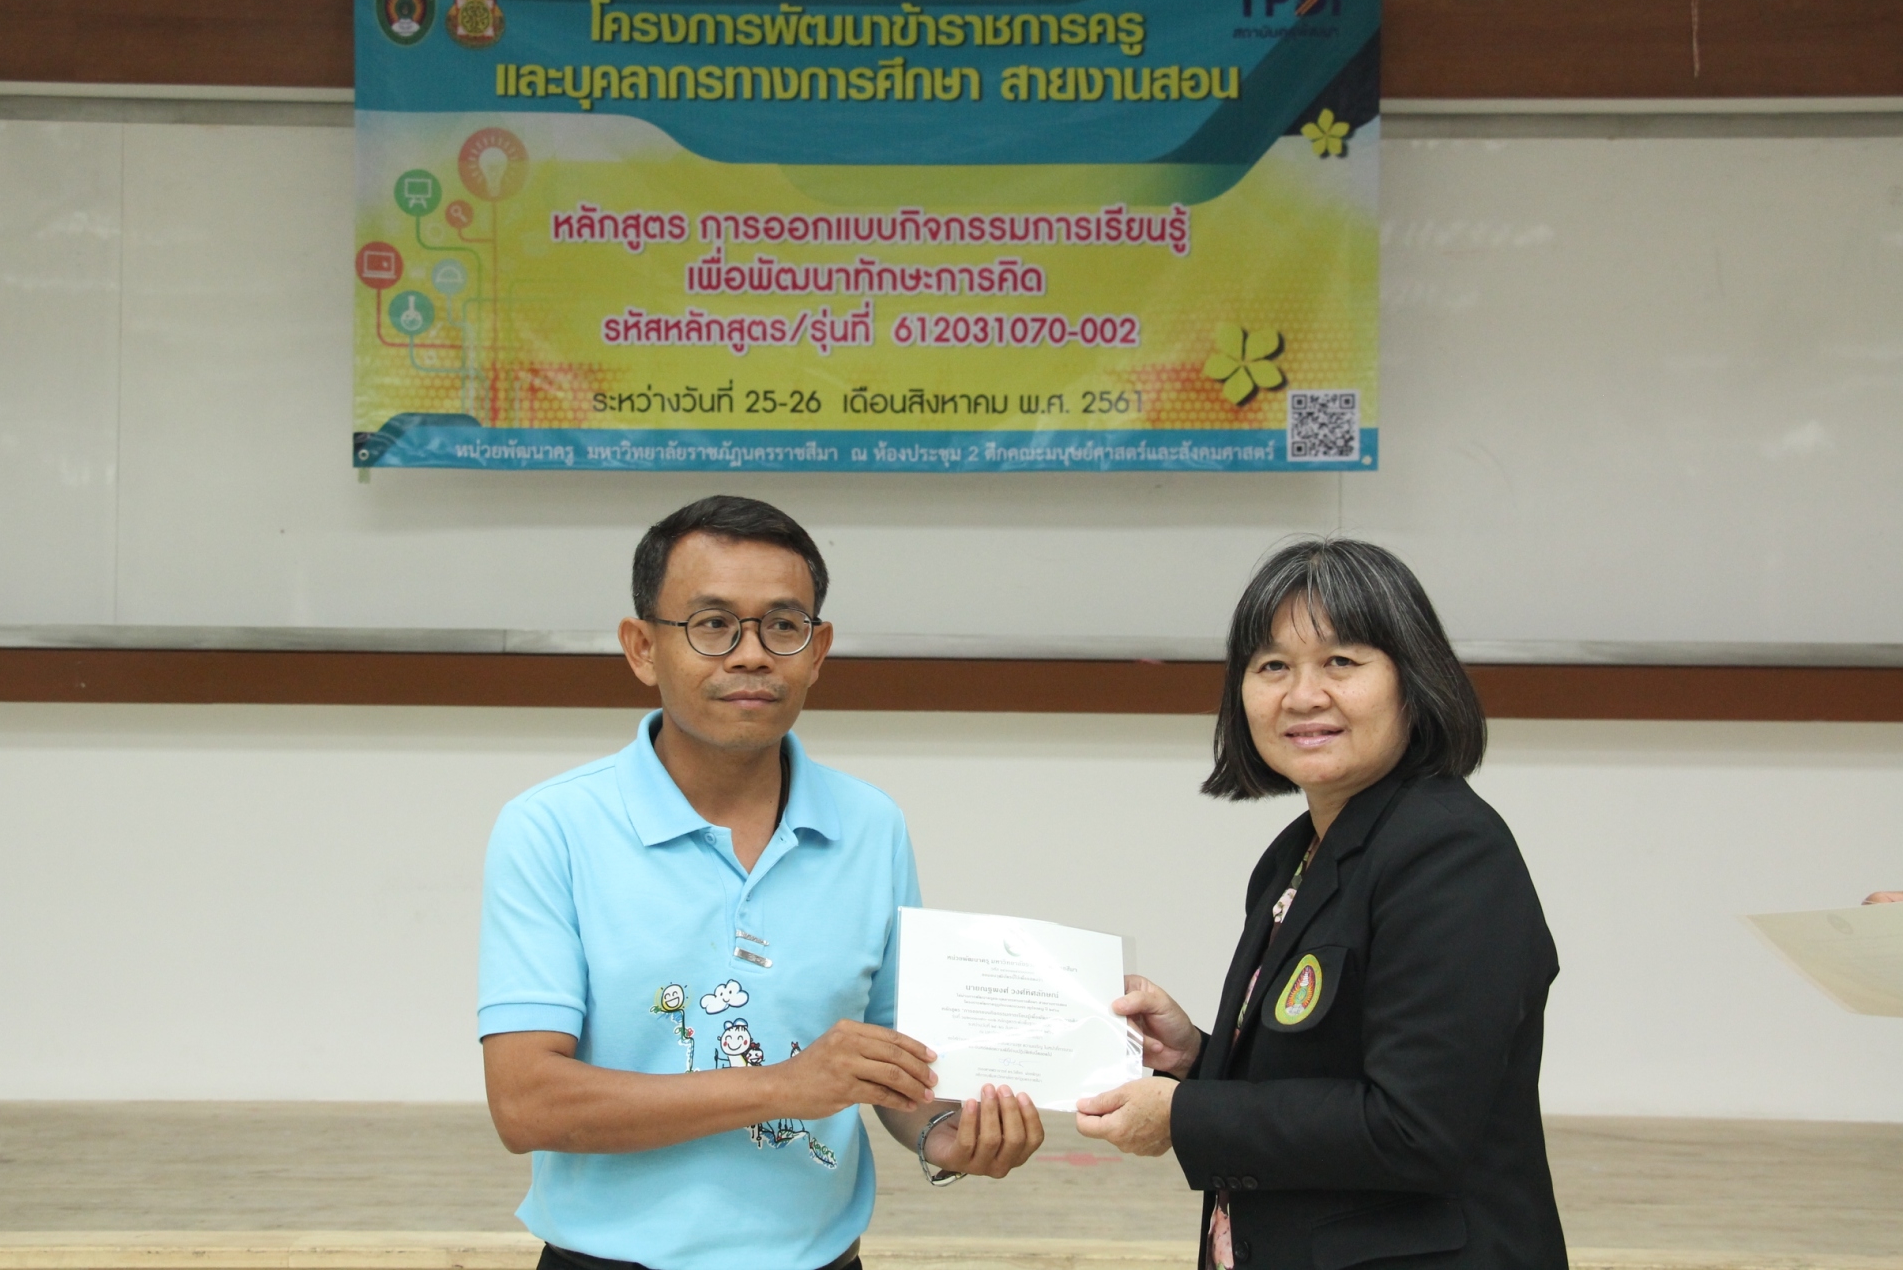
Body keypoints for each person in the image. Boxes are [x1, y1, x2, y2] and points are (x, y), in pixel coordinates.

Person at [479, 495, 1043, 1270]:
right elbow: (524, 1103)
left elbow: (897, 1069)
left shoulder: (871, 825)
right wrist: (782, 1086)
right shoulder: (551, 828)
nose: (751, 654)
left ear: (818, 650)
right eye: (712, 624)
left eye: (783, 625)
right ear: (642, 647)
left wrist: (945, 1131)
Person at [1075, 537, 1566, 1270]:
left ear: (1412, 678)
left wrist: (1184, 1116)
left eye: (1340, 661)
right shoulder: (1296, 854)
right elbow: (1324, 1076)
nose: (1303, 695)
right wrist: (1195, 1059)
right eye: (1273, 666)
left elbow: (1414, 1128)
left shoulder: (1451, 852)